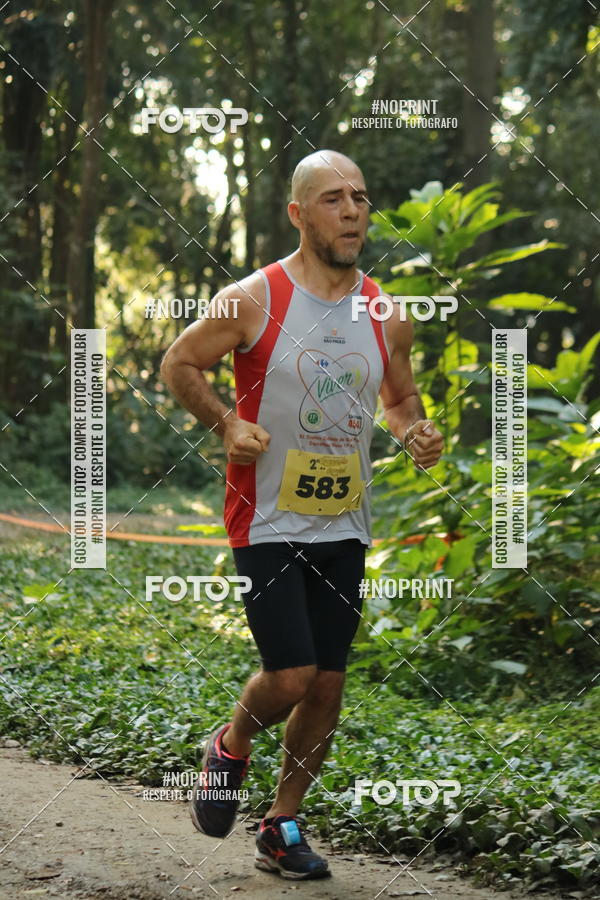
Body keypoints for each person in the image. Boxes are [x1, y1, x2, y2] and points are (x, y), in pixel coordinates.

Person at [160, 149, 443, 880]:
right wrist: (226, 422)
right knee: (289, 675)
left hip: (345, 520)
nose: (351, 211)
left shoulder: (385, 313)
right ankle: (229, 746)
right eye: (332, 199)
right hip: (265, 516)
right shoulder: (254, 298)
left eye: (360, 197)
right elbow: (178, 363)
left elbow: (400, 398)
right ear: (298, 213)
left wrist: (415, 430)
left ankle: (281, 824)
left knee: (326, 685)